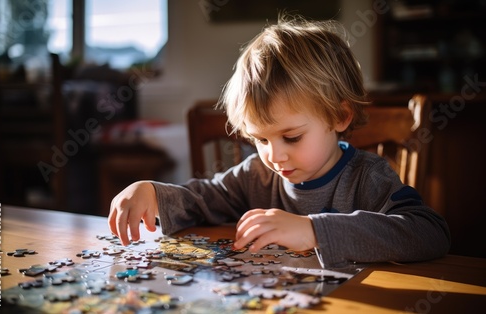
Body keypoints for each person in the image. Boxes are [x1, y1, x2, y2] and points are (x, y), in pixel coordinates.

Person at [108, 15, 450, 268]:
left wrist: (314, 230)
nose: (274, 155)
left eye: (291, 137)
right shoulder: (256, 173)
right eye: (259, 139)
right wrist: (151, 191)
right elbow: (202, 199)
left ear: (340, 117)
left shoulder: (368, 177)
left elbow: (429, 233)